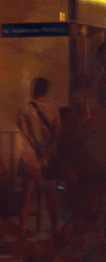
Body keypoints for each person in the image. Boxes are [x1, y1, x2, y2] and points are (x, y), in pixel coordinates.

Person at [16, 77, 61, 237]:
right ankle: (56, 228)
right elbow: (56, 134)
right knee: (51, 195)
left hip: (29, 156)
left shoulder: (25, 108)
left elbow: (23, 130)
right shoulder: (53, 109)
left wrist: (35, 147)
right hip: (46, 159)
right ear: (47, 90)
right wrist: (47, 152)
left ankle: (22, 228)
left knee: (26, 194)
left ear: (34, 89)